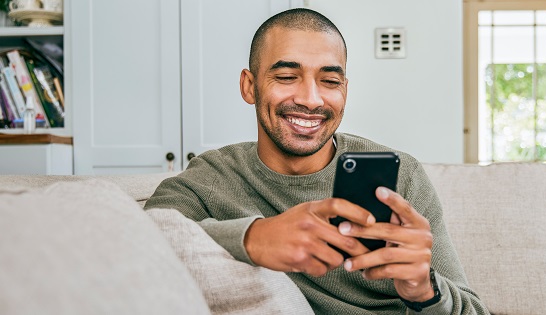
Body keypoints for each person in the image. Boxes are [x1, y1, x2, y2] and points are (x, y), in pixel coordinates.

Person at [145, 8, 489, 314]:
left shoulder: (403, 176)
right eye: (286, 76)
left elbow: (474, 310)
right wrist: (255, 238)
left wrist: (424, 290)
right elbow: (139, 240)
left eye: (329, 81)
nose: (311, 100)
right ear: (249, 86)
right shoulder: (212, 177)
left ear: (345, 90)